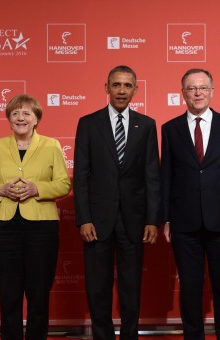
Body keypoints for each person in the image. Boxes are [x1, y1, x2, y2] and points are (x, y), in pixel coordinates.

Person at [160, 68, 220, 340]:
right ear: (183, 93)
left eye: (202, 88)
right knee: (190, 288)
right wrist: (166, 218)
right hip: (184, 224)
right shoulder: (170, 129)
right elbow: (166, 177)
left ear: (212, 90)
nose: (197, 93)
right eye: (191, 88)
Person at [73, 65, 160, 340]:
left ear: (136, 89)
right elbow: (82, 176)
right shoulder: (88, 123)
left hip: (134, 220)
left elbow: (152, 176)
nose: (122, 90)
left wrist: (152, 219)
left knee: (131, 286)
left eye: (127, 86)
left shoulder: (146, 125)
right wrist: (84, 218)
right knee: (97, 288)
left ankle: (130, 336)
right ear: (107, 87)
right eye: (117, 85)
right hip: (97, 220)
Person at [0, 94, 71, 340]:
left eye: (27, 113)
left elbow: (63, 184)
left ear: (36, 119)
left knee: (39, 294)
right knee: (9, 294)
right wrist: (0, 189)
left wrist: (37, 188)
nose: (21, 118)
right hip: (4, 228)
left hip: (42, 229)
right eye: (15, 113)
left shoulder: (51, 145)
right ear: (9, 119)